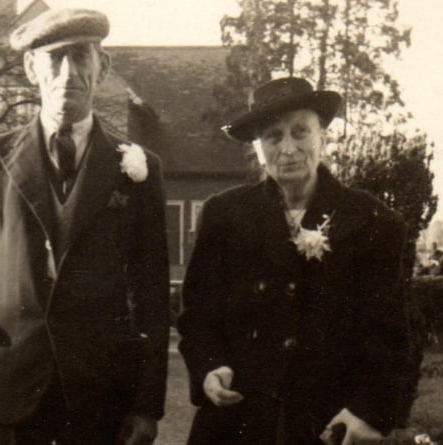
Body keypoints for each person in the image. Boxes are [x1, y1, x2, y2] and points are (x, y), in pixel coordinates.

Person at [0, 8, 169, 445]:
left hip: (101, 398)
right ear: (30, 68)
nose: (68, 72)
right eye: (54, 58)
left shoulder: (139, 168)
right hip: (7, 390)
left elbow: (152, 293)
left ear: (102, 67)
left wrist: (145, 404)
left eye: (81, 57)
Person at [177, 77, 421, 445]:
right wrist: (210, 367)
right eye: (273, 136)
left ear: (322, 135)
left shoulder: (372, 221)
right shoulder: (224, 215)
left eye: (300, 131)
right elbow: (198, 316)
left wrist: (369, 412)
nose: (288, 148)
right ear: (258, 149)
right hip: (236, 422)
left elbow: (392, 335)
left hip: (326, 424)